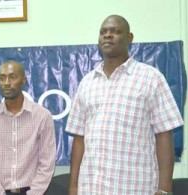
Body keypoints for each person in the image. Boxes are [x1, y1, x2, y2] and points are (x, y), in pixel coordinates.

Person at [65, 15, 184, 195]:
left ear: (130, 37)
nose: (107, 35)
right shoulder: (87, 83)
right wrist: (73, 187)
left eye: (115, 31)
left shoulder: (151, 78)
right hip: (91, 188)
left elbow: (164, 135)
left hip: (136, 187)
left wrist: (164, 189)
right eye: (103, 32)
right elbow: (79, 139)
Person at [0, 60, 56, 195]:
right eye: (2, 78)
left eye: (13, 77)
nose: (7, 83)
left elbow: (47, 163)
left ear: (23, 80)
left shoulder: (42, 116)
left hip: (34, 191)